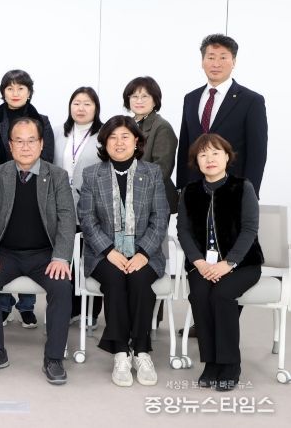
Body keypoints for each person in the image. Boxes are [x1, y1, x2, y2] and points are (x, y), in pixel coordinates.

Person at [0, 117, 75, 384]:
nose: (25, 146)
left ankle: (54, 357)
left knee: (62, 286)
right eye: (19, 141)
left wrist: (61, 257)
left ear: (41, 144)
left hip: (45, 255)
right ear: (10, 145)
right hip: (5, 253)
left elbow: (67, 218)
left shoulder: (57, 176)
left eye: (31, 141)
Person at [78, 115, 169, 387]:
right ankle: (120, 352)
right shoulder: (92, 174)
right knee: (116, 280)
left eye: (125, 137)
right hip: (103, 253)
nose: (119, 143)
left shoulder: (152, 173)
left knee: (140, 281)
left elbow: (160, 218)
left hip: (145, 252)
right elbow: (87, 218)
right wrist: (108, 250)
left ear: (137, 141)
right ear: (104, 142)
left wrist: (143, 253)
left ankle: (141, 351)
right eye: (113, 137)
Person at [177, 134, 262, 392]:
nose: (209, 159)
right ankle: (211, 362)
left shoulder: (243, 187)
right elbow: (183, 231)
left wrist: (229, 263)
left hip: (242, 264)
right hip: (202, 264)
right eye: (203, 155)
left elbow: (249, 230)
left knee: (222, 295)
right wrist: (199, 262)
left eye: (215, 153)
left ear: (227, 156)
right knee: (200, 295)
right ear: (197, 162)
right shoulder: (190, 192)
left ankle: (230, 363)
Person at [0, 69, 56, 328]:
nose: (15, 93)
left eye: (20, 88)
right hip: (0, 188)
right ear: (3, 92)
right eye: (10, 88)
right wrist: (5, 179)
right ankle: (3, 305)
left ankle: (26, 306)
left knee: (30, 241)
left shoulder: (42, 121)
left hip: (34, 189)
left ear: (29, 92)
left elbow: (47, 157)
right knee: (4, 243)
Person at [177, 34, 267, 197]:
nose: (216, 64)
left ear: (234, 62)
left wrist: (250, 194)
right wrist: (182, 188)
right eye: (211, 57)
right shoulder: (191, 98)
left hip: (233, 190)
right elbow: (185, 147)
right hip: (194, 190)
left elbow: (257, 153)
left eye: (223, 57)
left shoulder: (251, 101)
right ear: (202, 61)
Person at [55, 87, 104, 328]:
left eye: (87, 103)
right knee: (67, 258)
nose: (81, 108)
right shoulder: (58, 133)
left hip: (92, 205)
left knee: (90, 257)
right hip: (61, 205)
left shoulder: (104, 135)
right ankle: (70, 308)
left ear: (96, 108)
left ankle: (91, 311)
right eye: (76, 103)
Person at [123, 76, 178, 213]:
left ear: (155, 100)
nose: (139, 101)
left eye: (145, 96)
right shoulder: (125, 125)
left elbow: (161, 169)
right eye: (134, 96)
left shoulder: (162, 127)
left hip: (153, 200)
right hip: (126, 197)